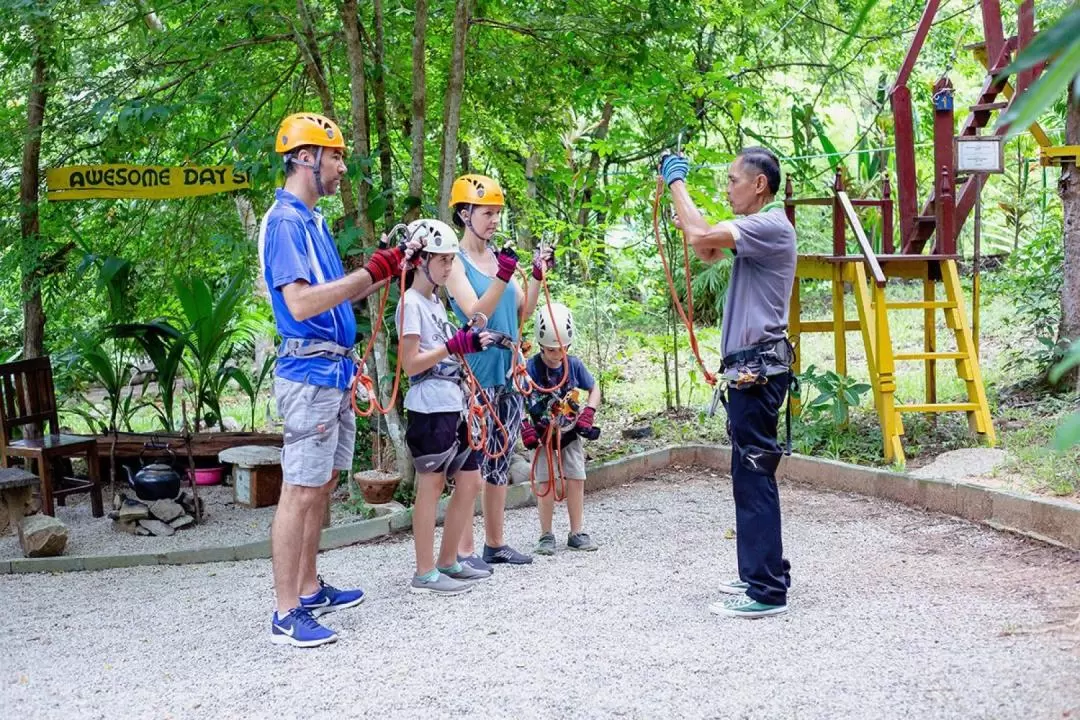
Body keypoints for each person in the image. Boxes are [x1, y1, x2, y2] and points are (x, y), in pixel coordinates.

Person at [261, 112, 417, 647]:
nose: (342, 168)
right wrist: (370, 273)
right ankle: (285, 614)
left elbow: (342, 293)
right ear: (306, 158)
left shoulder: (313, 222)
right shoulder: (284, 223)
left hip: (333, 369)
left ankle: (307, 589)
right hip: (308, 371)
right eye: (336, 157)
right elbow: (301, 303)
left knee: (323, 484)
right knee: (300, 489)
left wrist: (389, 267)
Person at [659, 146, 797, 619]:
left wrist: (677, 183)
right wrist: (689, 214)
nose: (728, 187)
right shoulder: (758, 232)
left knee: (755, 477)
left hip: (758, 373)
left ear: (759, 185)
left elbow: (699, 234)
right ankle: (763, 569)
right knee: (747, 475)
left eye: (734, 179)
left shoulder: (772, 225)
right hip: (747, 373)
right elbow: (705, 246)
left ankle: (767, 591)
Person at [444, 174, 553, 569]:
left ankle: (495, 542)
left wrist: (537, 275)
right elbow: (475, 315)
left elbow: (521, 312)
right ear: (464, 214)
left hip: (507, 370)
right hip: (474, 370)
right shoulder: (455, 262)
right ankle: (465, 549)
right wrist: (503, 274)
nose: (494, 221)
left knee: (500, 458)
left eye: (496, 214)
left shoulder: (497, 260)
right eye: (487, 213)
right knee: (471, 461)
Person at [395, 218, 494, 595]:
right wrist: (453, 348)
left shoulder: (435, 303)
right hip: (429, 406)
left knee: (470, 481)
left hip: (454, 404)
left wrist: (468, 343)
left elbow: (442, 349)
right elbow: (410, 364)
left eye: (452, 260)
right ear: (421, 260)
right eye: (443, 260)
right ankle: (424, 572)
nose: (449, 268)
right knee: (431, 485)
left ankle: (448, 559)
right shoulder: (410, 303)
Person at [520, 302, 602, 555]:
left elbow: (594, 388)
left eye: (563, 349)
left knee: (576, 478)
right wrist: (524, 425)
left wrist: (589, 412)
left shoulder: (574, 365)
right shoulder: (530, 368)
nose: (558, 355)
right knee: (545, 482)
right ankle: (546, 535)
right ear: (541, 345)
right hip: (543, 436)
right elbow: (517, 396)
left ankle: (576, 532)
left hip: (570, 433)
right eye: (552, 350)